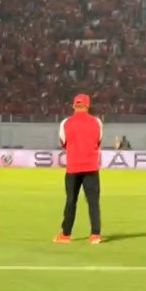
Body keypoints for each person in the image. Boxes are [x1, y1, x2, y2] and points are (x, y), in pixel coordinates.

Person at [54, 94, 103, 244]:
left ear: (74, 105)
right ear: (88, 106)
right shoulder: (97, 122)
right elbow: (98, 141)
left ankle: (66, 234)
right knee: (93, 201)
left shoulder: (65, 123)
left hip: (73, 167)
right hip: (91, 166)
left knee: (70, 201)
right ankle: (95, 234)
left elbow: (63, 142)